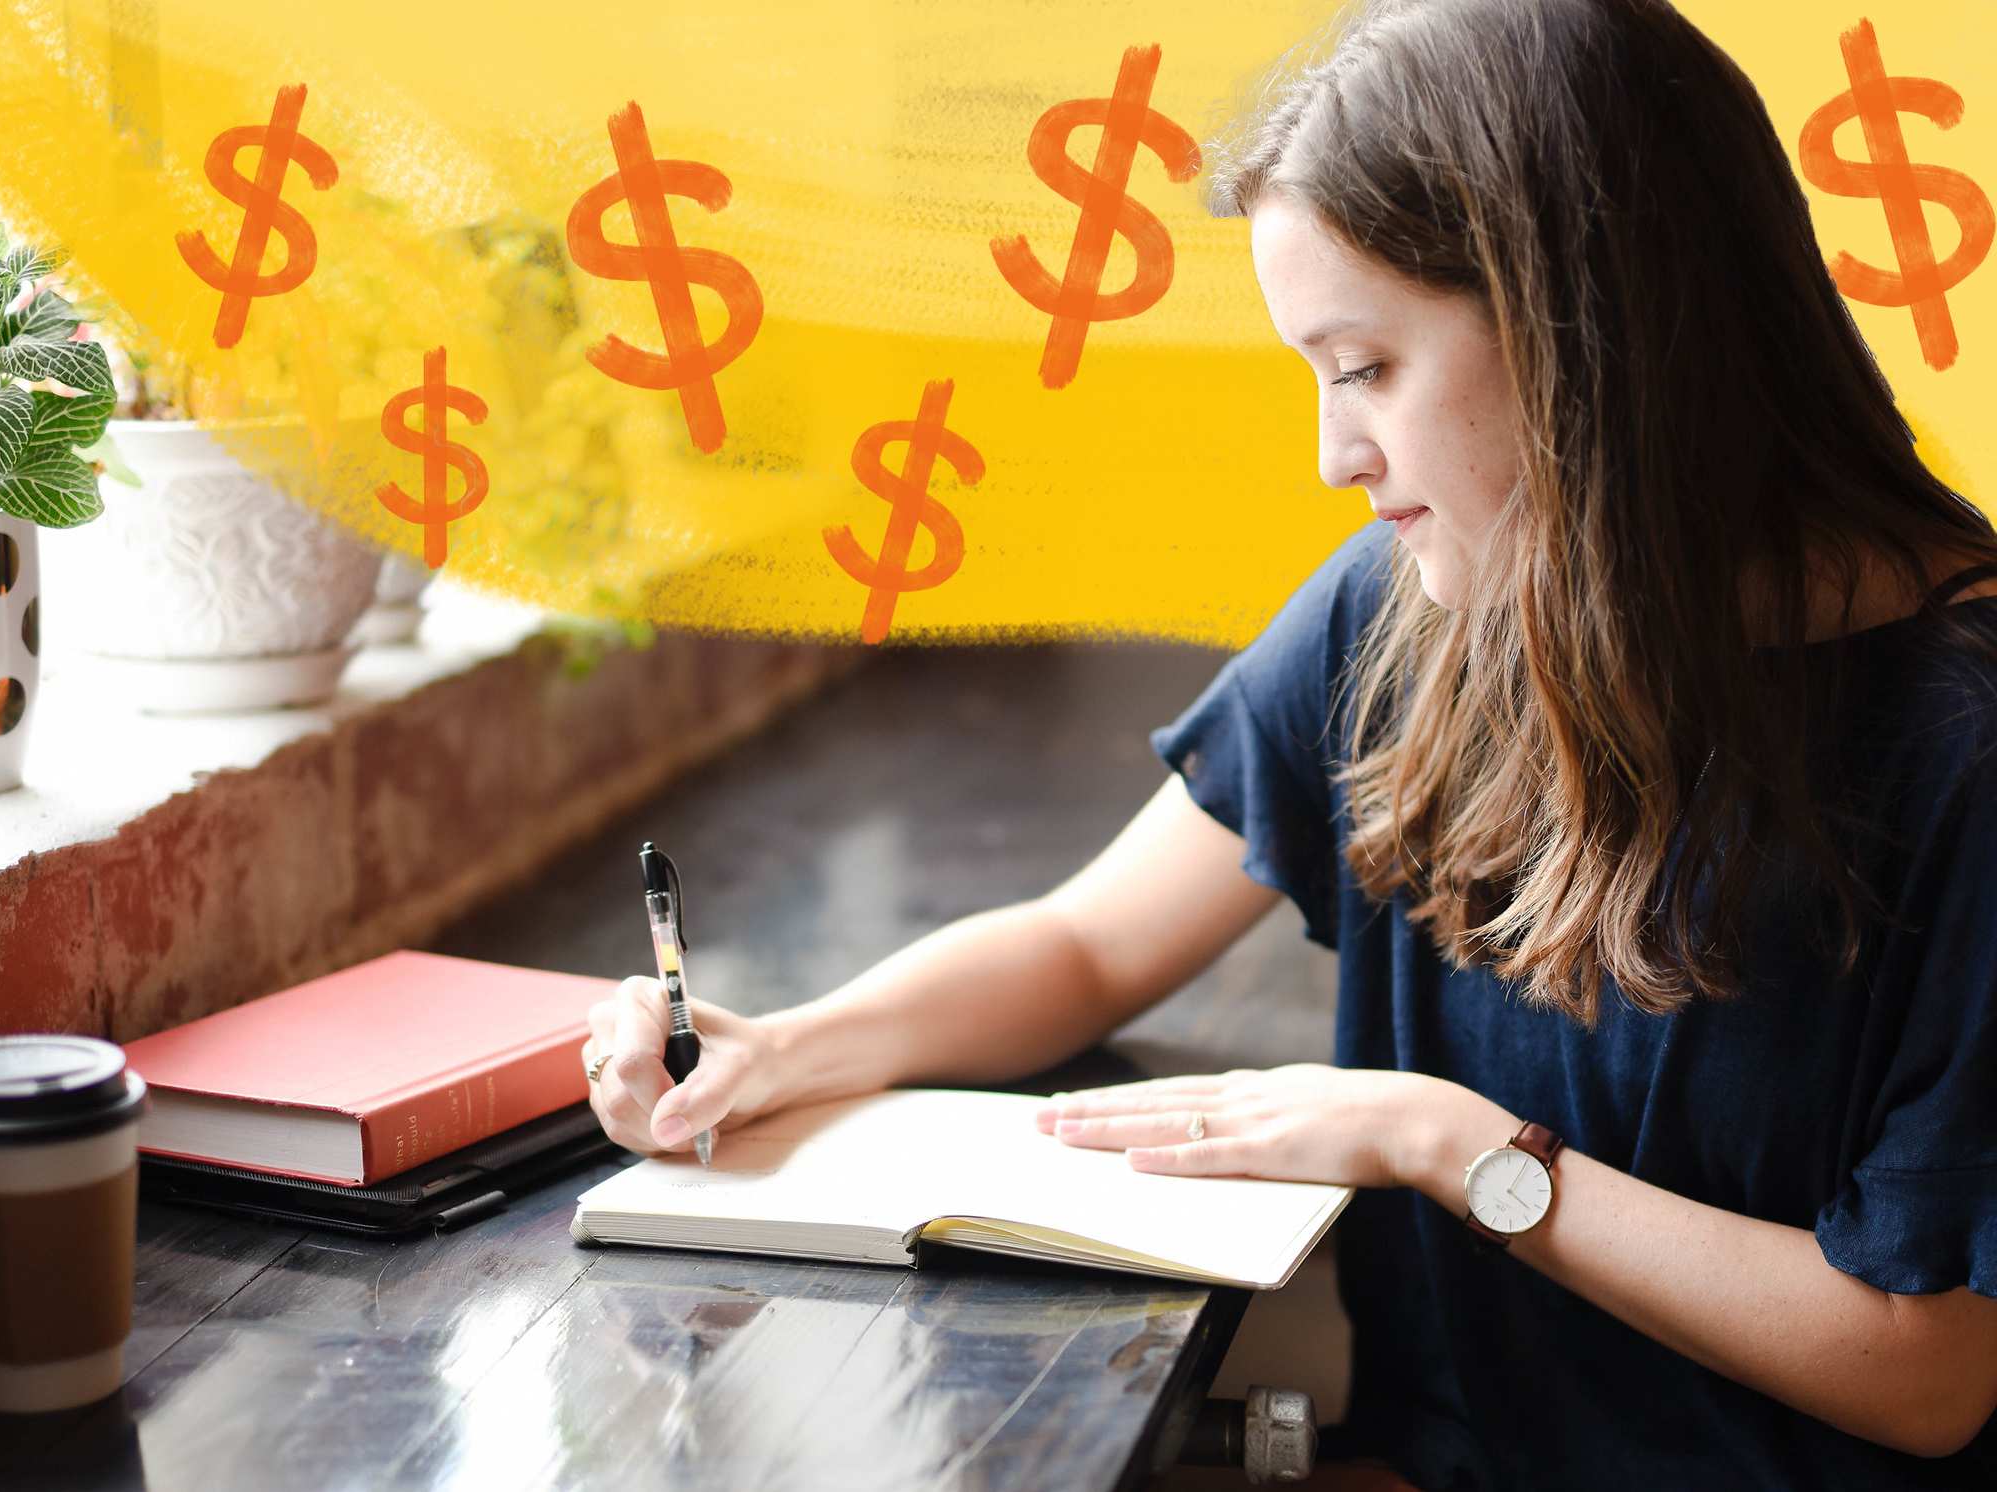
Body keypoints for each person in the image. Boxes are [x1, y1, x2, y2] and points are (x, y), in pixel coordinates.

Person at [580, 0, 1997, 1484]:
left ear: (1596, 333)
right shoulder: (1417, 608)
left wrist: (1453, 1147)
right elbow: (1087, 945)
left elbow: (1923, 1370)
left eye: (1368, 366)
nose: (1335, 456)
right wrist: (780, 1050)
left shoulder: (1961, 747)